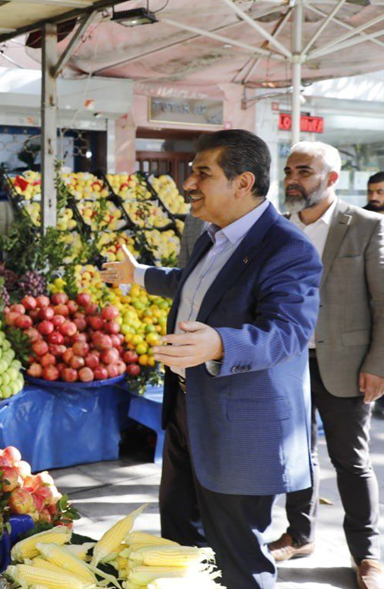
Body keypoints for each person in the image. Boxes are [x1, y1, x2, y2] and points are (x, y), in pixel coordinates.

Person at [101, 129, 321, 588]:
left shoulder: (288, 248)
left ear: (243, 183)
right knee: (180, 547)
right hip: (187, 410)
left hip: (239, 426)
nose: (188, 183)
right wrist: (138, 274)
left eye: (202, 173)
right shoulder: (212, 236)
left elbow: (289, 333)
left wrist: (219, 343)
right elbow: (196, 284)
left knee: (238, 557)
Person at [270, 142, 383, 589]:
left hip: (347, 363)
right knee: (296, 456)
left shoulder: (367, 225)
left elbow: (383, 302)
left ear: (332, 178)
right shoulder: (276, 228)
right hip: (287, 362)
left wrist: (379, 363)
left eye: (304, 171)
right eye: (289, 170)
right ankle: (300, 534)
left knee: (351, 461)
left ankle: (368, 553)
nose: (292, 179)